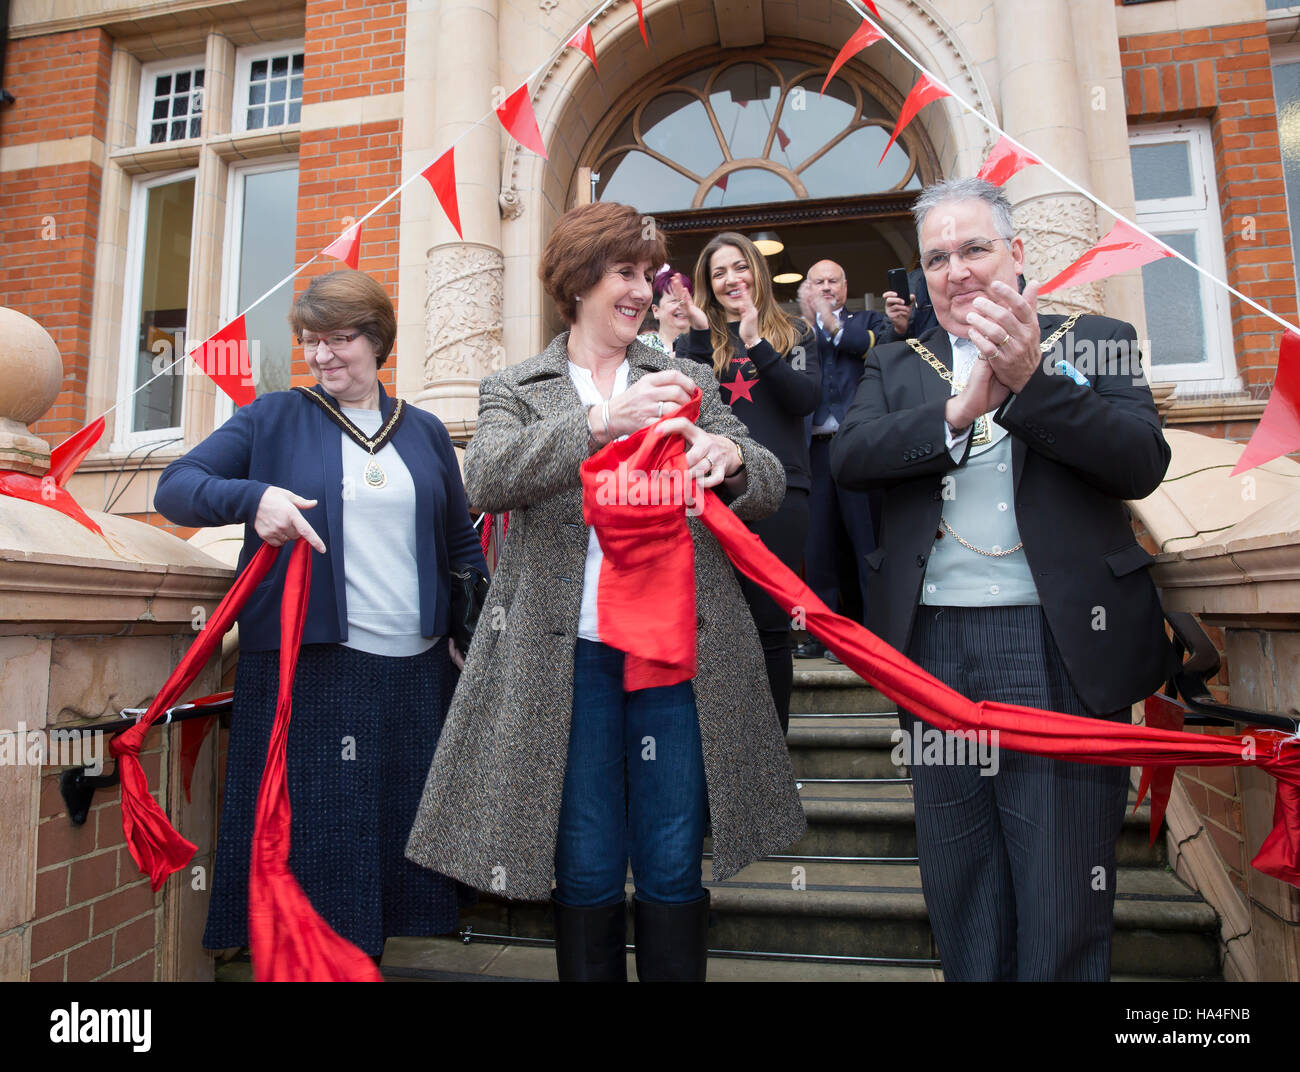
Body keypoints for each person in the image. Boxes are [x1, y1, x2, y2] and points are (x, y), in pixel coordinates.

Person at [405, 202, 806, 983]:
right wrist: (596, 422)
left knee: (669, 864)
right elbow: (485, 477)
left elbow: (769, 481)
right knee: (585, 865)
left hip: (676, 658)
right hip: (570, 662)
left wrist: (727, 454)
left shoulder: (686, 376)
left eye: (647, 275)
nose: (642, 290)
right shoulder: (516, 385)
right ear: (580, 279)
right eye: (626, 272)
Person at [831, 178, 1177, 981]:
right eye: (937, 258)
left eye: (975, 249)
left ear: (1018, 255)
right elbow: (851, 459)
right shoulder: (895, 362)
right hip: (933, 651)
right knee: (962, 882)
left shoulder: (1095, 336)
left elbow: (1141, 463)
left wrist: (1032, 383)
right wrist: (956, 413)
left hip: (1060, 646)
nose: (956, 271)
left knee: (1061, 887)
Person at [154, 269, 486, 965]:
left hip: (417, 674)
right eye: (311, 340)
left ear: (376, 341)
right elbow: (176, 489)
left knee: (391, 850)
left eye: (341, 338)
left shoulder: (423, 432)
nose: (324, 354)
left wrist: (470, 632)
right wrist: (255, 499)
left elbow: (460, 546)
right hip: (313, 673)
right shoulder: (273, 417)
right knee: (324, 853)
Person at [676, 232, 819, 733]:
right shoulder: (695, 342)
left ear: (756, 271)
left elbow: (804, 400)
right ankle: (729, 759)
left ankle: (774, 758)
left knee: (771, 630)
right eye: (718, 273)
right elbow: (686, 404)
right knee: (714, 630)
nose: (732, 279)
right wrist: (694, 336)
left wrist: (757, 343)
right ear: (707, 287)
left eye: (740, 267)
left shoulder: (796, 333)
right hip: (712, 498)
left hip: (783, 495)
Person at [792, 260, 891, 660]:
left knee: (865, 541)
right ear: (807, 288)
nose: (827, 287)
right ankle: (822, 634)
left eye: (834, 281)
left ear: (845, 287)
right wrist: (809, 322)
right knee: (818, 546)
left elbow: (875, 352)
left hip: (857, 447)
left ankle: (875, 635)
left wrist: (832, 325)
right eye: (819, 282)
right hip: (813, 450)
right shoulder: (797, 331)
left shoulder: (871, 321)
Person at [636, 265, 692, 356]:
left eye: (686, 299)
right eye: (674, 301)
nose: (682, 305)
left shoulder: (706, 343)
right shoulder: (639, 345)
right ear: (656, 310)